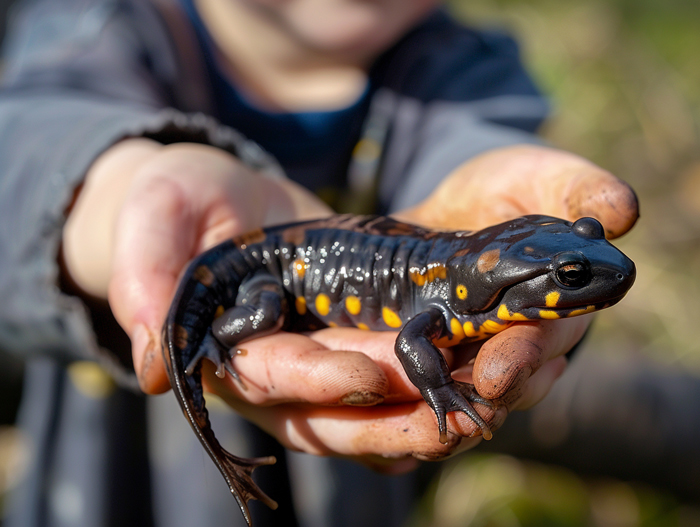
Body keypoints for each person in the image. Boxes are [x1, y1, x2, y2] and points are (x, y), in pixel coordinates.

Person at [0, 0, 638, 526]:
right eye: (570, 277)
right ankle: (219, 341)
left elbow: (473, 139)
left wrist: (494, 166)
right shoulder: (99, 27)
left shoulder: (460, 70)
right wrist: (110, 192)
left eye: (572, 266)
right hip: (99, 477)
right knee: (263, 311)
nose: (601, 268)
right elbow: (25, 137)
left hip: (353, 498)